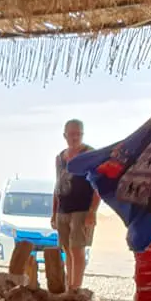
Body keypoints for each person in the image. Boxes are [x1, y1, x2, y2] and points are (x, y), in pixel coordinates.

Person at [52, 119, 99, 290]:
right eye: (72, 134)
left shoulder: (90, 155)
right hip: (63, 208)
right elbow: (57, 184)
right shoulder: (60, 158)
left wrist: (92, 211)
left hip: (82, 208)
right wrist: (54, 211)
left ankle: (75, 287)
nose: (75, 137)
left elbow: (98, 185)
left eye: (78, 134)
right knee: (66, 249)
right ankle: (69, 285)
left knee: (77, 249)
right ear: (65, 135)